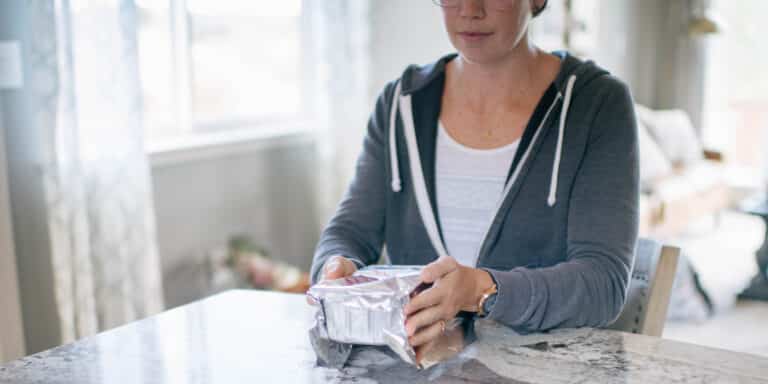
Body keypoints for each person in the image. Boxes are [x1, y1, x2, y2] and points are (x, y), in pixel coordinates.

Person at [310, 0, 639, 351]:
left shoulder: (596, 104)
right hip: (416, 369)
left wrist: (480, 289)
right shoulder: (399, 104)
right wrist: (335, 268)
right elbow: (349, 233)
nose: (470, 9)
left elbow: (603, 284)